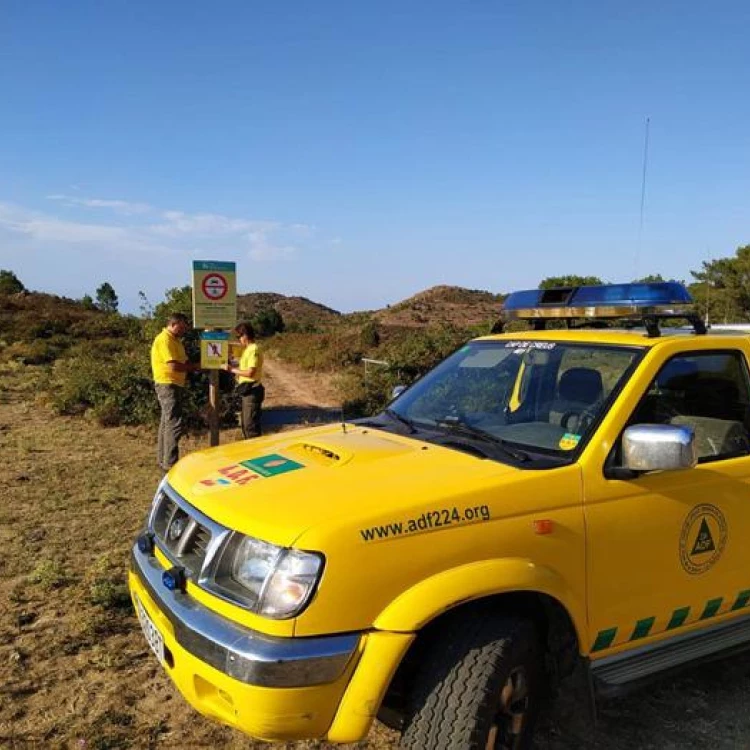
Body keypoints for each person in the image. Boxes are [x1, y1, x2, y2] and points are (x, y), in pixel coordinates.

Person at [151, 313, 200, 471]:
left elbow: (183, 361)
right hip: (167, 384)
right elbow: (173, 365)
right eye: (183, 326)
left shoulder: (175, 341)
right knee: (174, 423)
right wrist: (194, 367)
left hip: (174, 384)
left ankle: (163, 460)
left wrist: (199, 365)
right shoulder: (165, 339)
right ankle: (170, 464)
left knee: (167, 422)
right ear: (175, 324)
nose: (185, 329)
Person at [222, 322, 265, 438]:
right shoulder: (247, 350)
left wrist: (231, 370)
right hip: (247, 391)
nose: (238, 339)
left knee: (250, 427)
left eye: (239, 336)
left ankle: (255, 453)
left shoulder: (253, 349)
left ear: (245, 335)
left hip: (252, 390)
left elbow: (250, 372)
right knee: (246, 425)